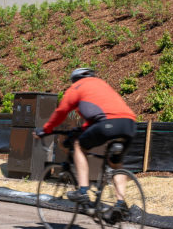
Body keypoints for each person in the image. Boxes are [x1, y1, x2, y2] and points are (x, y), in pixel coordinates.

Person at [34, 68, 136, 208]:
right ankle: (120, 204)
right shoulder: (102, 85)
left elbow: (62, 111)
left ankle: (82, 191)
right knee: (115, 163)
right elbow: (100, 112)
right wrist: (82, 129)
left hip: (108, 123)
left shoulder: (77, 87)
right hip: (129, 124)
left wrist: (45, 130)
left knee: (78, 146)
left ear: (74, 80)